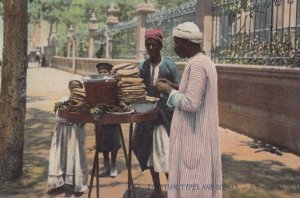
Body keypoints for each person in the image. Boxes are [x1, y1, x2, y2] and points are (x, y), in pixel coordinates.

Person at [156, 22, 222, 198]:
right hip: (198, 135)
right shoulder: (203, 61)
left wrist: (168, 91)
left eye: (177, 42)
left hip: (194, 138)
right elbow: (194, 93)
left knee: (192, 185)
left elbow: (192, 103)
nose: (175, 47)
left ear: (188, 42)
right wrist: (176, 87)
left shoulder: (198, 65)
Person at [132, 29, 181, 198]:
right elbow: (138, 88)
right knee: (148, 152)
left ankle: (174, 190)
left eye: (154, 44)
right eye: (148, 44)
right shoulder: (143, 66)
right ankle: (158, 189)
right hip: (147, 116)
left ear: (160, 46)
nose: (151, 47)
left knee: (165, 153)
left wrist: (168, 87)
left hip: (165, 117)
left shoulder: (169, 65)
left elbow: (181, 89)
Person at [48, 75, 88, 194]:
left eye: (77, 87)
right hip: (61, 132)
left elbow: (83, 120)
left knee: (76, 156)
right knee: (60, 155)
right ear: (68, 87)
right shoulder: (63, 100)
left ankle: (78, 184)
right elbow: (58, 116)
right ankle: (57, 183)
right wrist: (70, 118)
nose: (74, 89)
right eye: (72, 86)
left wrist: (74, 118)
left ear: (81, 88)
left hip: (76, 132)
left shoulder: (84, 102)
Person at [96, 62, 122, 178]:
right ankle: (106, 165)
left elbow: (120, 97)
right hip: (101, 116)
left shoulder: (115, 83)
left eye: (105, 72)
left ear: (110, 73)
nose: (102, 74)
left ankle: (113, 165)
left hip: (113, 115)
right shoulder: (95, 84)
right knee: (102, 142)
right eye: (100, 73)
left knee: (114, 141)